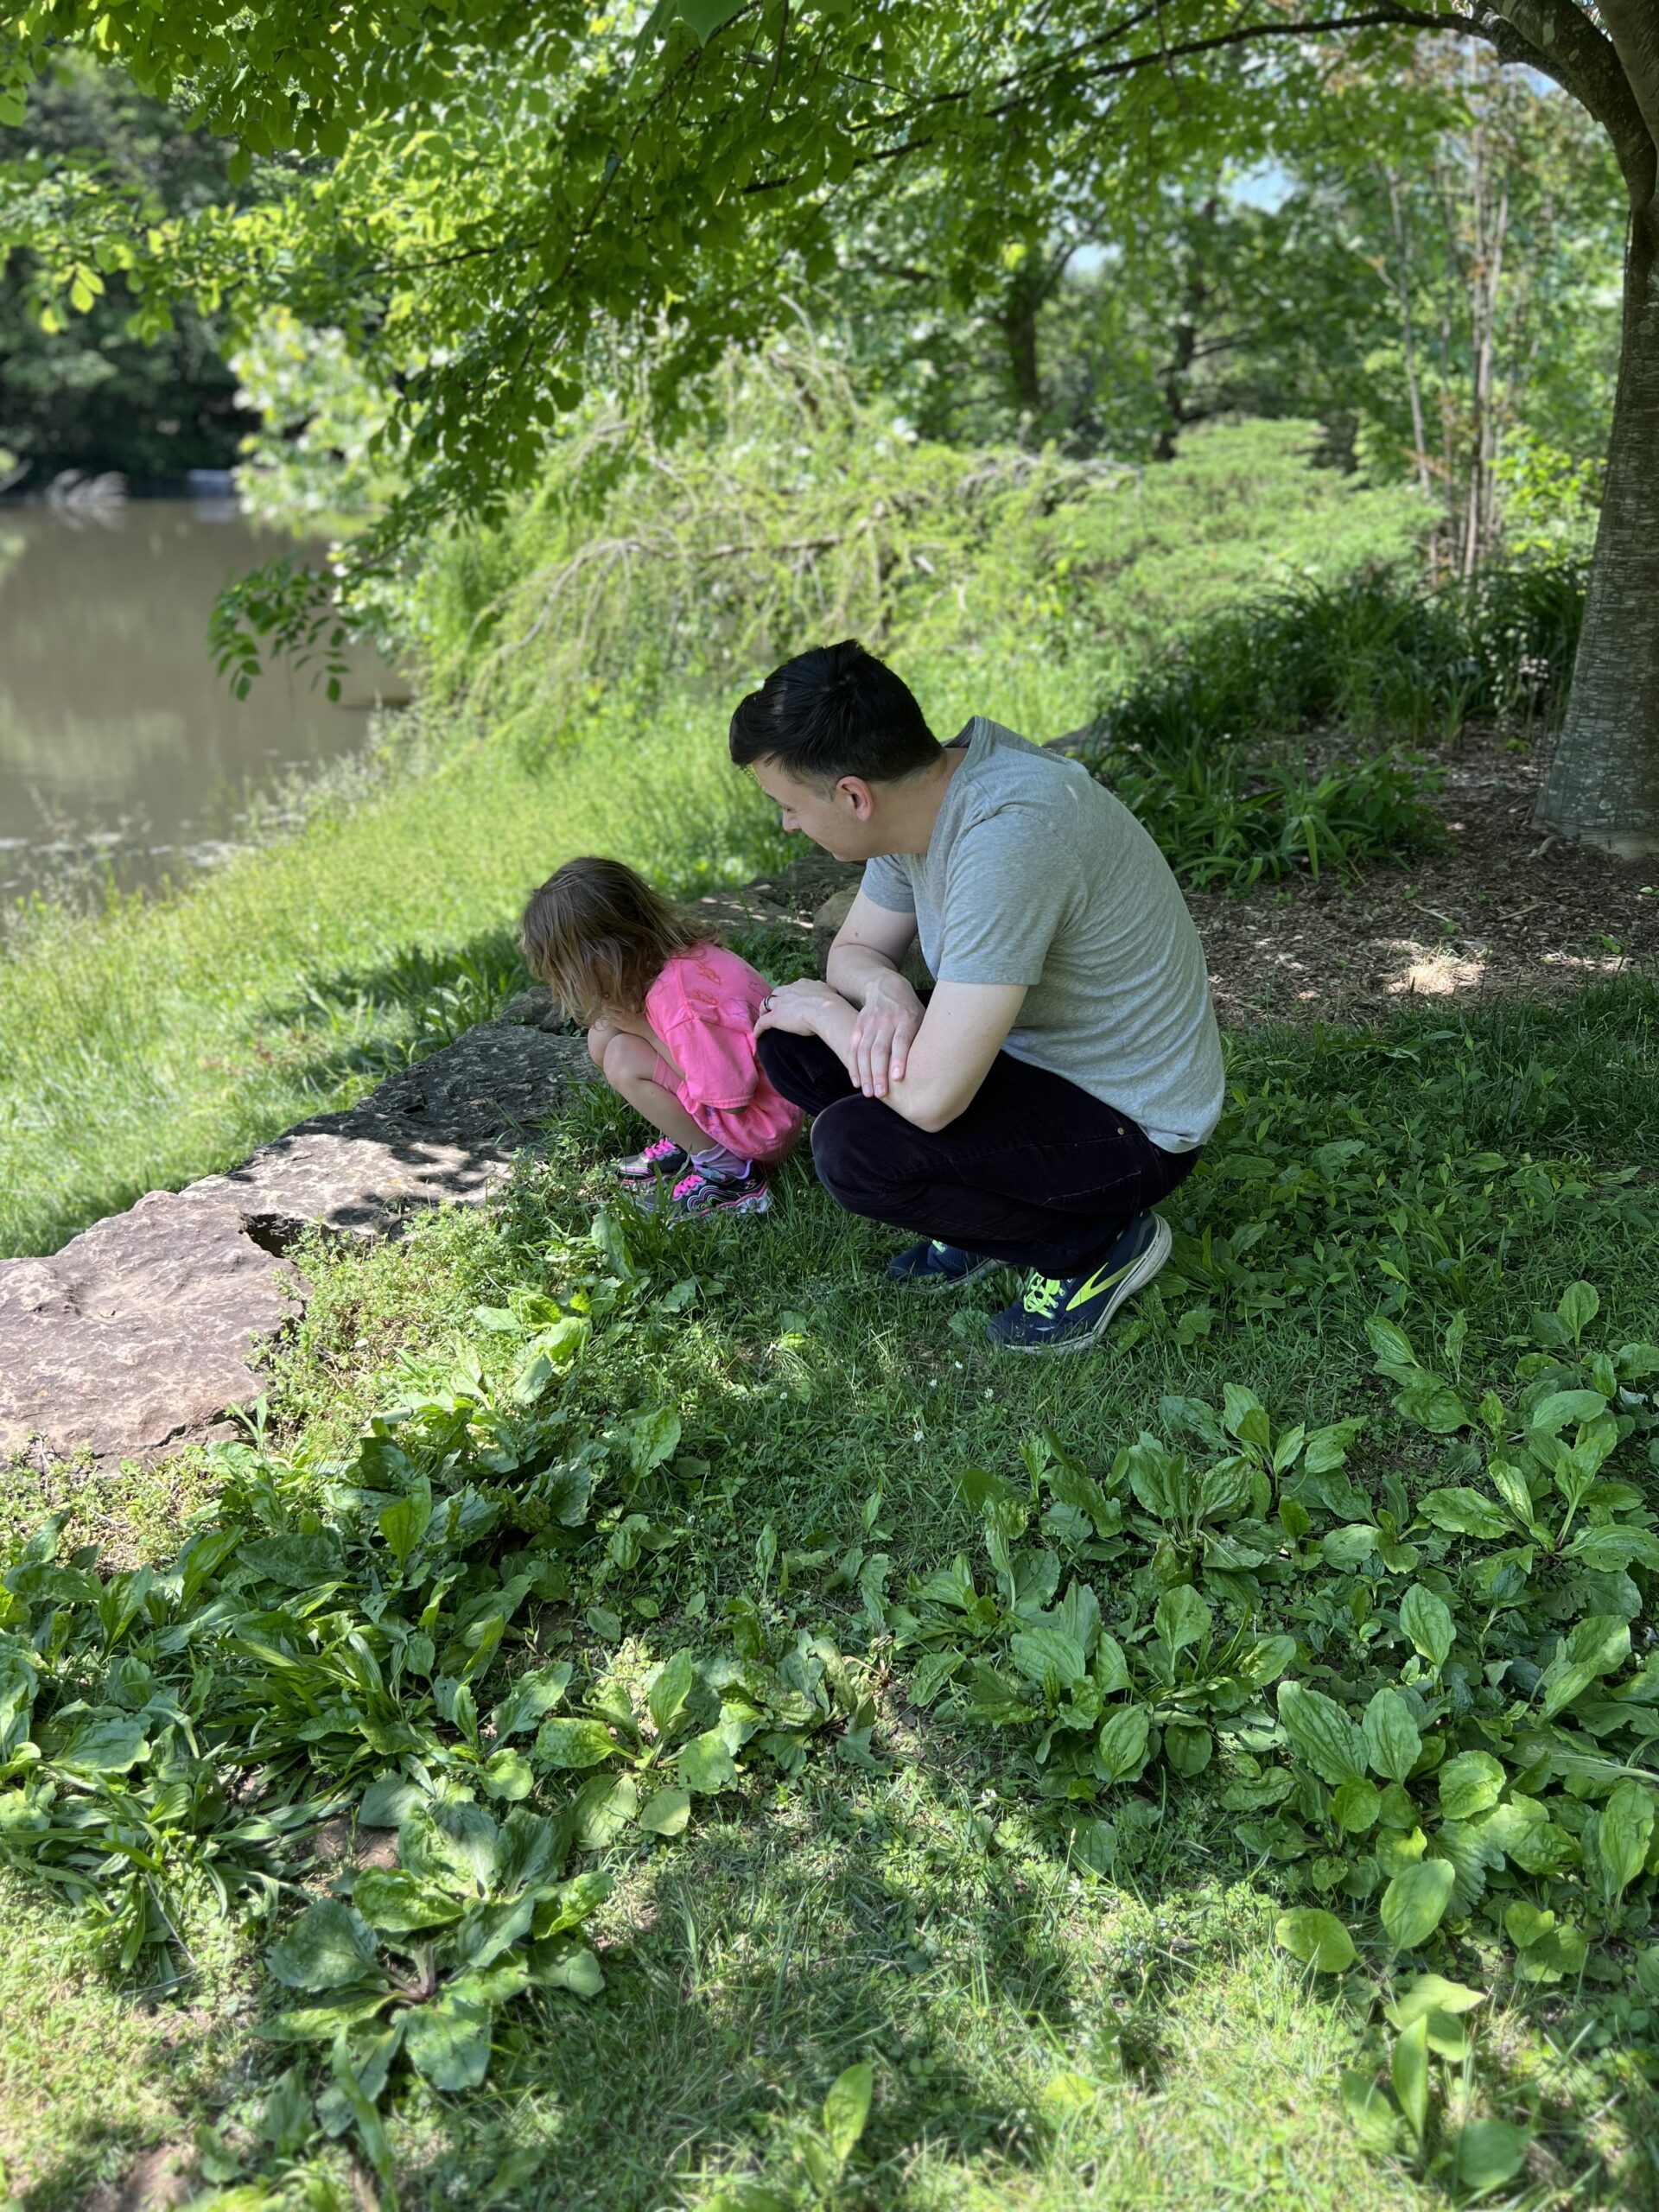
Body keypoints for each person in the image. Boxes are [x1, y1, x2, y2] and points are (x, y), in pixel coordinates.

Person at [731, 640, 1224, 1351]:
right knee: (792, 1043)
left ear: (851, 795)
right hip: (1034, 1061)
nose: (787, 823)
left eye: (788, 806)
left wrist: (836, 1013)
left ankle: (1092, 1245)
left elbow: (932, 1099)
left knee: (853, 1150)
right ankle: (984, 1211)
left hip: (1132, 1126)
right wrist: (887, 992)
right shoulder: (923, 797)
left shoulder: (1010, 837)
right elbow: (856, 950)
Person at [520, 855, 802, 1218]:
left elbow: (729, 1098)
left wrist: (645, 1032)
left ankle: (730, 1177)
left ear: (604, 956)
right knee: (604, 1037)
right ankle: (691, 1137)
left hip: (763, 1126)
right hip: (770, 1102)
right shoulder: (676, 958)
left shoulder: (680, 1003)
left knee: (624, 1058)